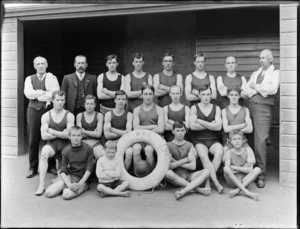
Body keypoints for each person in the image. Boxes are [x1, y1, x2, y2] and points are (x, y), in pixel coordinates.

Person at [243, 49, 280, 188]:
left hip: (263, 109)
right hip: (250, 107)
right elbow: (246, 90)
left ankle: (261, 174)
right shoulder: (255, 73)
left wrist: (255, 87)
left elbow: (272, 90)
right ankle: (249, 171)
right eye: (260, 57)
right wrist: (258, 89)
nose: (261, 60)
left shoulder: (276, 73)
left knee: (260, 141)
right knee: (249, 139)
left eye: (264, 58)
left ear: (271, 59)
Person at [24, 56, 60, 178]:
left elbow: (54, 93)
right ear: (34, 66)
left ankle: (51, 166)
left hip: (48, 110)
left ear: (46, 65)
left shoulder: (52, 78)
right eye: (38, 64)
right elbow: (28, 93)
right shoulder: (29, 79)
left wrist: (38, 94)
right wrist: (44, 93)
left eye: (42, 64)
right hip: (33, 110)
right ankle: (33, 167)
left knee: (49, 137)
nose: (40, 66)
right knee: (33, 138)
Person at [35, 90, 75, 196]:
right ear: (53, 101)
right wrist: (61, 133)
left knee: (66, 163)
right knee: (44, 153)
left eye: (62, 100)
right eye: (57, 100)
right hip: (52, 144)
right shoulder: (46, 116)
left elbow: (68, 135)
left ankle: (61, 179)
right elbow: (44, 136)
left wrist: (52, 131)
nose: (60, 102)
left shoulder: (69, 115)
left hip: (66, 145)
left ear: (65, 101)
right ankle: (41, 184)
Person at [190, 84, 223, 193]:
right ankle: (216, 182)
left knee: (219, 152)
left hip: (213, 139)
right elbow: (192, 126)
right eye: (203, 94)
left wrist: (200, 121)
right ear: (199, 95)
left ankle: (208, 179)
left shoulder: (216, 108)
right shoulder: (194, 108)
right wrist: (210, 124)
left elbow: (218, 127)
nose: (206, 97)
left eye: (208, 94)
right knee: (204, 156)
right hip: (199, 140)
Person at [45, 126, 95, 200]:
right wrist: (69, 184)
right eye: (73, 135)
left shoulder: (89, 149)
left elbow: (89, 169)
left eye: (78, 135)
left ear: (82, 136)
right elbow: (63, 170)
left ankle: (83, 187)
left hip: (82, 179)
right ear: (69, 137)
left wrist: (80, 184)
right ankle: (63, 185)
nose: (76, 138)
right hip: (70, 176)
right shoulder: (66, 150)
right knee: (48, 193)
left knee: (66, 195)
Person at [166, 121, 211, 200]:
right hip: (176, 178)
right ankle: (198, 189)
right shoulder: (168, 145)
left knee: (207, 171)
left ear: (185, 131)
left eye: (182, 130)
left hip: (188, 176)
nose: (180, 133)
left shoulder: (189, 145)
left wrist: (174, 161)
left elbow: (193, 167)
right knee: (167, 173)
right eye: (178, 130)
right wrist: (185, 160)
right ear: (173, 131)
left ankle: (183, 191)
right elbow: (169, 166)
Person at [132, 85, 164, 174]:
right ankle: (138, 175)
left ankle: (152, 175)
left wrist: (143, 131)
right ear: (142, 95)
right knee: (135, 149)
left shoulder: (159, 109)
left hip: (154, 140)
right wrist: (152, 127)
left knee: (149, 150)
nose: (148, 96)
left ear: (154, 95)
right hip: (141, 140)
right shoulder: (137, 110)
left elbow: (160, 129)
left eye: (150, 94)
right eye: (146, 94)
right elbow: (135, 127)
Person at [223, 130, 261, 201]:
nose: (237, 141)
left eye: (239, 139)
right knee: (226, 169)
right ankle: (247, 192)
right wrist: (243, 169)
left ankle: (237, 190)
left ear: (243, 141)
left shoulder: (247, 151)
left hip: (244, 180)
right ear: (230, 142)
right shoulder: (229, 153)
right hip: (233, 180)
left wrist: (234, 167)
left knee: (257, 169)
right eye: (234, 139)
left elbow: (249, 170)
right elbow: (228, 170)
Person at [221, 86, 253, 162]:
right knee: (224, 159)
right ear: (228, 96)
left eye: (236, 95)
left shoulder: (245, 110)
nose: (234, 97)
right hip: (230, 142)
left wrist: (232, 129)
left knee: (251, 160)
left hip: (243, 142)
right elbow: (226, 129)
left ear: (239, 96)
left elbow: (250, 129)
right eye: (231, 95)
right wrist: (242, 125)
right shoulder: (224, 111)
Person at [103, 90, 133, 170]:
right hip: (111, 142)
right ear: (115, 100)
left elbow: (128, 133)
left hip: (124, 141)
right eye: (119, 99)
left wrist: (112, 129)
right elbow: (107, 135)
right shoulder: (108, 115)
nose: (121, 101)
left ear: (126, 101)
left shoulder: (129, 115)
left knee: (129, 152)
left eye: (123, 99)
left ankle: (124, 173)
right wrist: (123, 133)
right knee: (106, 152)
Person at [76, 94, 104, 160]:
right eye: (87, 104)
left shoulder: (99, 115)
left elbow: (98, 134)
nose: (89, 106)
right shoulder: (80, 116)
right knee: (80, 157)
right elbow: (80, 135)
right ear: (84, 105)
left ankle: (97, 169)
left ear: (95, 105)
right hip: (83, 143)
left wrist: (84, 131)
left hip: (96, 143)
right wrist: (93, 133)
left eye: (91, 104)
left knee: (102, 155)